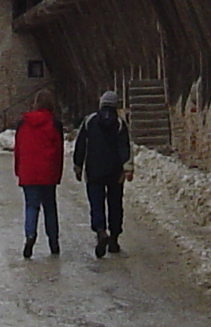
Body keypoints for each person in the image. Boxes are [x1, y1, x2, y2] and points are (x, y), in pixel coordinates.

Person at [73, 88, 133, 257]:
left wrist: (78, 166)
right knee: (115, 203)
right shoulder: (120, 124)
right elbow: (125, 147)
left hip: (94, 170)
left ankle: (100, 230)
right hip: (115, 171)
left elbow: (80, 145)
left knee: (96, 202)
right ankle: (114, 238)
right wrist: (127, 168)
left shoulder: (89, 121)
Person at [13, 92, 64, 258]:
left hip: (28, 171)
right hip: (47, 172)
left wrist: (18, 169)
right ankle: (53, 241)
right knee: (50, 207)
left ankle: (30, 236)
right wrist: (57, 173)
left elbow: (18, 149)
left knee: (31, 206)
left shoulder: (23, 123)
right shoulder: (54, 124)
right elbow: (58, 151)